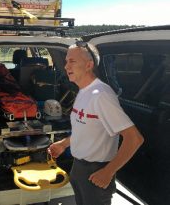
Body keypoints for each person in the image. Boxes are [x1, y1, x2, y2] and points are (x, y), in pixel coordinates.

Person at [47, 41, 144, 205]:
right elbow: (85, 128)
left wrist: (108, 171)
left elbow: (134, 138)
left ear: (89, 65)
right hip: (79, 167)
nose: (65, 66)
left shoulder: (101, 95)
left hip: (96, 171)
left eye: (72, 61)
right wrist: (64, 144)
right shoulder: (84, 91)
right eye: (66, 61)